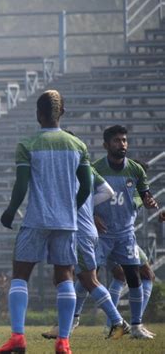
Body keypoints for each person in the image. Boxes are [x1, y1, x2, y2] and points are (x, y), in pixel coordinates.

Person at [0, 90, 92, 354]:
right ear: (62, 113)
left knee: (20, 275)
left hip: (36, 219)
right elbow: (87, 186)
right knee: (65, 277)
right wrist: (72, 208)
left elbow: (22, 184)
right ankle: (63, 342)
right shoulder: (78, 145)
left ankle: (18, 338)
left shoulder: (27, 144)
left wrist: (11, 210)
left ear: (38, 115)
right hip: (66, 222)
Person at [41, 165, 127, 340]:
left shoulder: (62, 170)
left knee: (89, 280)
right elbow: (108, 191)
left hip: (77, 232)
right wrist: (87, 205)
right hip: (84, 230)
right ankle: (67, 323)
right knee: (63, 278)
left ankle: (118, 322)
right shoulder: (87, 168)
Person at [93, 125, 159, 339]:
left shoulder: (136, 175)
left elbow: (145, 198)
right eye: (117, 140)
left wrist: (150, 203)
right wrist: (92, 215)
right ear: (106, 145)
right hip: (103, 235)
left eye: (124, 140)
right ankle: (111, 322)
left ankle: (130, 325)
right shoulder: (96, 170)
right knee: (87, 276)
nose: (122, 144)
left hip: (124, 235)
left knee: (128, 275)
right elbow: (84, 198)